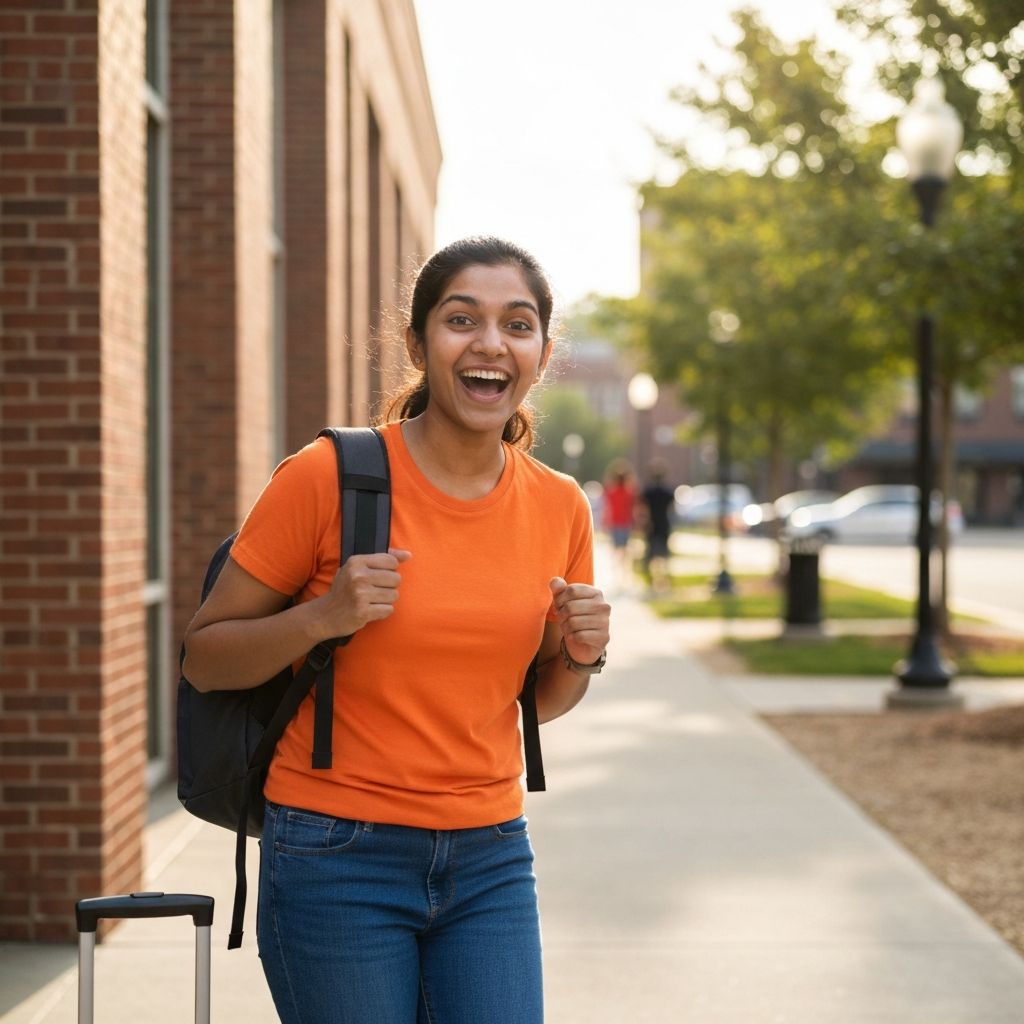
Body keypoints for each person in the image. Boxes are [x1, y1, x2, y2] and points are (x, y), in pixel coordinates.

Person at [182, 236, 611, 1024]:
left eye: (517, 325)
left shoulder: (560, 506)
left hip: (490, 856)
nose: (490, 344)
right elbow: (206, 659)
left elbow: (531, 706)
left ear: (541, 355)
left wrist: (580, 656)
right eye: (461, 320)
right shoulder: (326, 478)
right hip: (334, 855)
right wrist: (323, 617)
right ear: (417, 344)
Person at [638, 460, 675, 594]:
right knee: (664, 554)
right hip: (664, 524)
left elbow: (642, 508)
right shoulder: (668, 492)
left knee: (650, 554)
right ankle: (665, 580)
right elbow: (672, 508)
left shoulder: (648, 492)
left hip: (652, 525)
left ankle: (652, 581)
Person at [601, 462, 637, 589]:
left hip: (615, 524)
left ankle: (617, 576)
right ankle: (624, 576)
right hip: (625, 524)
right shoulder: (629, 493)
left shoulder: (612, 492)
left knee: (616, 551)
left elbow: (607, 509)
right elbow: (633, 509)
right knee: (625, 551)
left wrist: (605, 522)